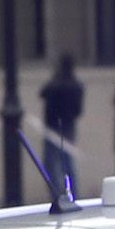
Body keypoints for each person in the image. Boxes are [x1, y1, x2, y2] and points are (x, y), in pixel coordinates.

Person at [36, 54, 83, 201]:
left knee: (53, 163)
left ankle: (58, 194)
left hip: (53, 127)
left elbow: (43, 93)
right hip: (68, 126)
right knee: (67, 163)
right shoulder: (76, 84)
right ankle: (72, 193)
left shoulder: (56, 84)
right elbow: (78, 110)